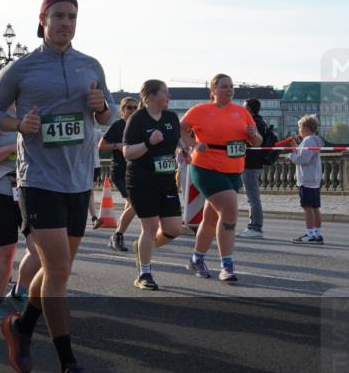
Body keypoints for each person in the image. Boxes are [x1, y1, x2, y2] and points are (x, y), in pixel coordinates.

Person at [0, 0, 112, 373]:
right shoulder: (22, 68)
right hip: (38, 181)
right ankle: (69, 371)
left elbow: (108, 114)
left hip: (79, 181)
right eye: (58, 15)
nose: (65, 23)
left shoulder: (90, 65)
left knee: (56, 270)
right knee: (58, 271)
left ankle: (21, 327)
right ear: (42, 19)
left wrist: (101, 108)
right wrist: (20, 126)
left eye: (72, 16)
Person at [179, 73, 263, 282]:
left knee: (210, 219)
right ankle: (227, 265)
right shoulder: (200, 110)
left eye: (231, 86)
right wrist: (193, 144)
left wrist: (253, 135)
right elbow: (180, 129)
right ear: (213, 90)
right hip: (206, 167)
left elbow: (258, 142)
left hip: (234, 169)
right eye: (224, 86)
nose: (229, 90)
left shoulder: (242, 112)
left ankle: (196, 259)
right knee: (230, 210)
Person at [0, 103, 41, 323]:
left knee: (39, 249)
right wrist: (11, 149)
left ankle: (19, 293)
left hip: (32, 190)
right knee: (6, 251)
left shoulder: (36, 114)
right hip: (0, 189)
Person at [122, 80, 185, 290]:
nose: (168, 97)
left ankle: (143, 248)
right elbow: (127, 152)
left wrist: (184, 149)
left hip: (166, 180)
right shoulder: (137, 118)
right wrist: (149, 143)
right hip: (142, 180)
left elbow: (176, 140)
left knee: (174, 229)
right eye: (165, 93)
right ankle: (144, 274)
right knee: (150, 227)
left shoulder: (171, 117)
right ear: (149, 96)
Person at [99, 97, 138, 251]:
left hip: (135, 171)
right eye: (129, 108)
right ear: (122, 111)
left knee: (131, 205)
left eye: (136, 107)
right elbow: (101, 145)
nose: (133, 110)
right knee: (136, 204)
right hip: (120, 171)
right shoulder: (118, 125)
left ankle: (116, 237)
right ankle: (117, 236)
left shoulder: (138, 125)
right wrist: (117, 146)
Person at [236, 98, 270, 239]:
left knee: (252, 198)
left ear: (249, 109)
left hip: (250, 163)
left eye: (244, 107)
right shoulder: (262, 122)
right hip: (256, 163)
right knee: (252, 197)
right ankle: (254, 226)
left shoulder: (253, 123)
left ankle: (255, 227)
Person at [289, 115, 324, 245]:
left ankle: (310, 235)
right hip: (314, 178)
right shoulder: (315, 140)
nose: (298, 129)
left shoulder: (308, 140)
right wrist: (296, 148)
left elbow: (303, 159)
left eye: (299, 127)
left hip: (306, 178)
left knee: (307, 207)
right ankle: (317, 234)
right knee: (315, 207)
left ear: (305, 127)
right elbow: (305, 154)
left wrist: (290, 155)